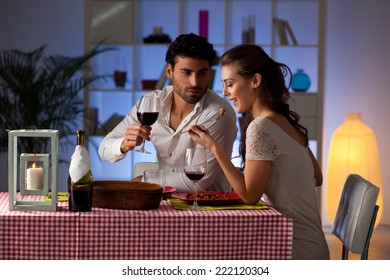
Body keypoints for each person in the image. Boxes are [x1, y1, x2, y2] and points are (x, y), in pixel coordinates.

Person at [187, 44, 329, 260]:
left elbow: (250, 196)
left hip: (294, 249)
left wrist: (214, 147)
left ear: (255, 81)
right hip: (316, 245)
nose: (225, 93)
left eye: (230, 84)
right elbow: (316, 177)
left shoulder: (260, 127)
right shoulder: (284, 121)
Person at [98, 33, 237, 192]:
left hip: (209, 209)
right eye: (186, 72)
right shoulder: (151, 103)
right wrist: (122, 144)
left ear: (210, 74)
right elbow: (104, 149)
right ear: (169, 72)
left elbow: (197, 181)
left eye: (202, 73)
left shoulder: (218, 114)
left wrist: (145, 180)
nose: (195, 82)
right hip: (164, 204)